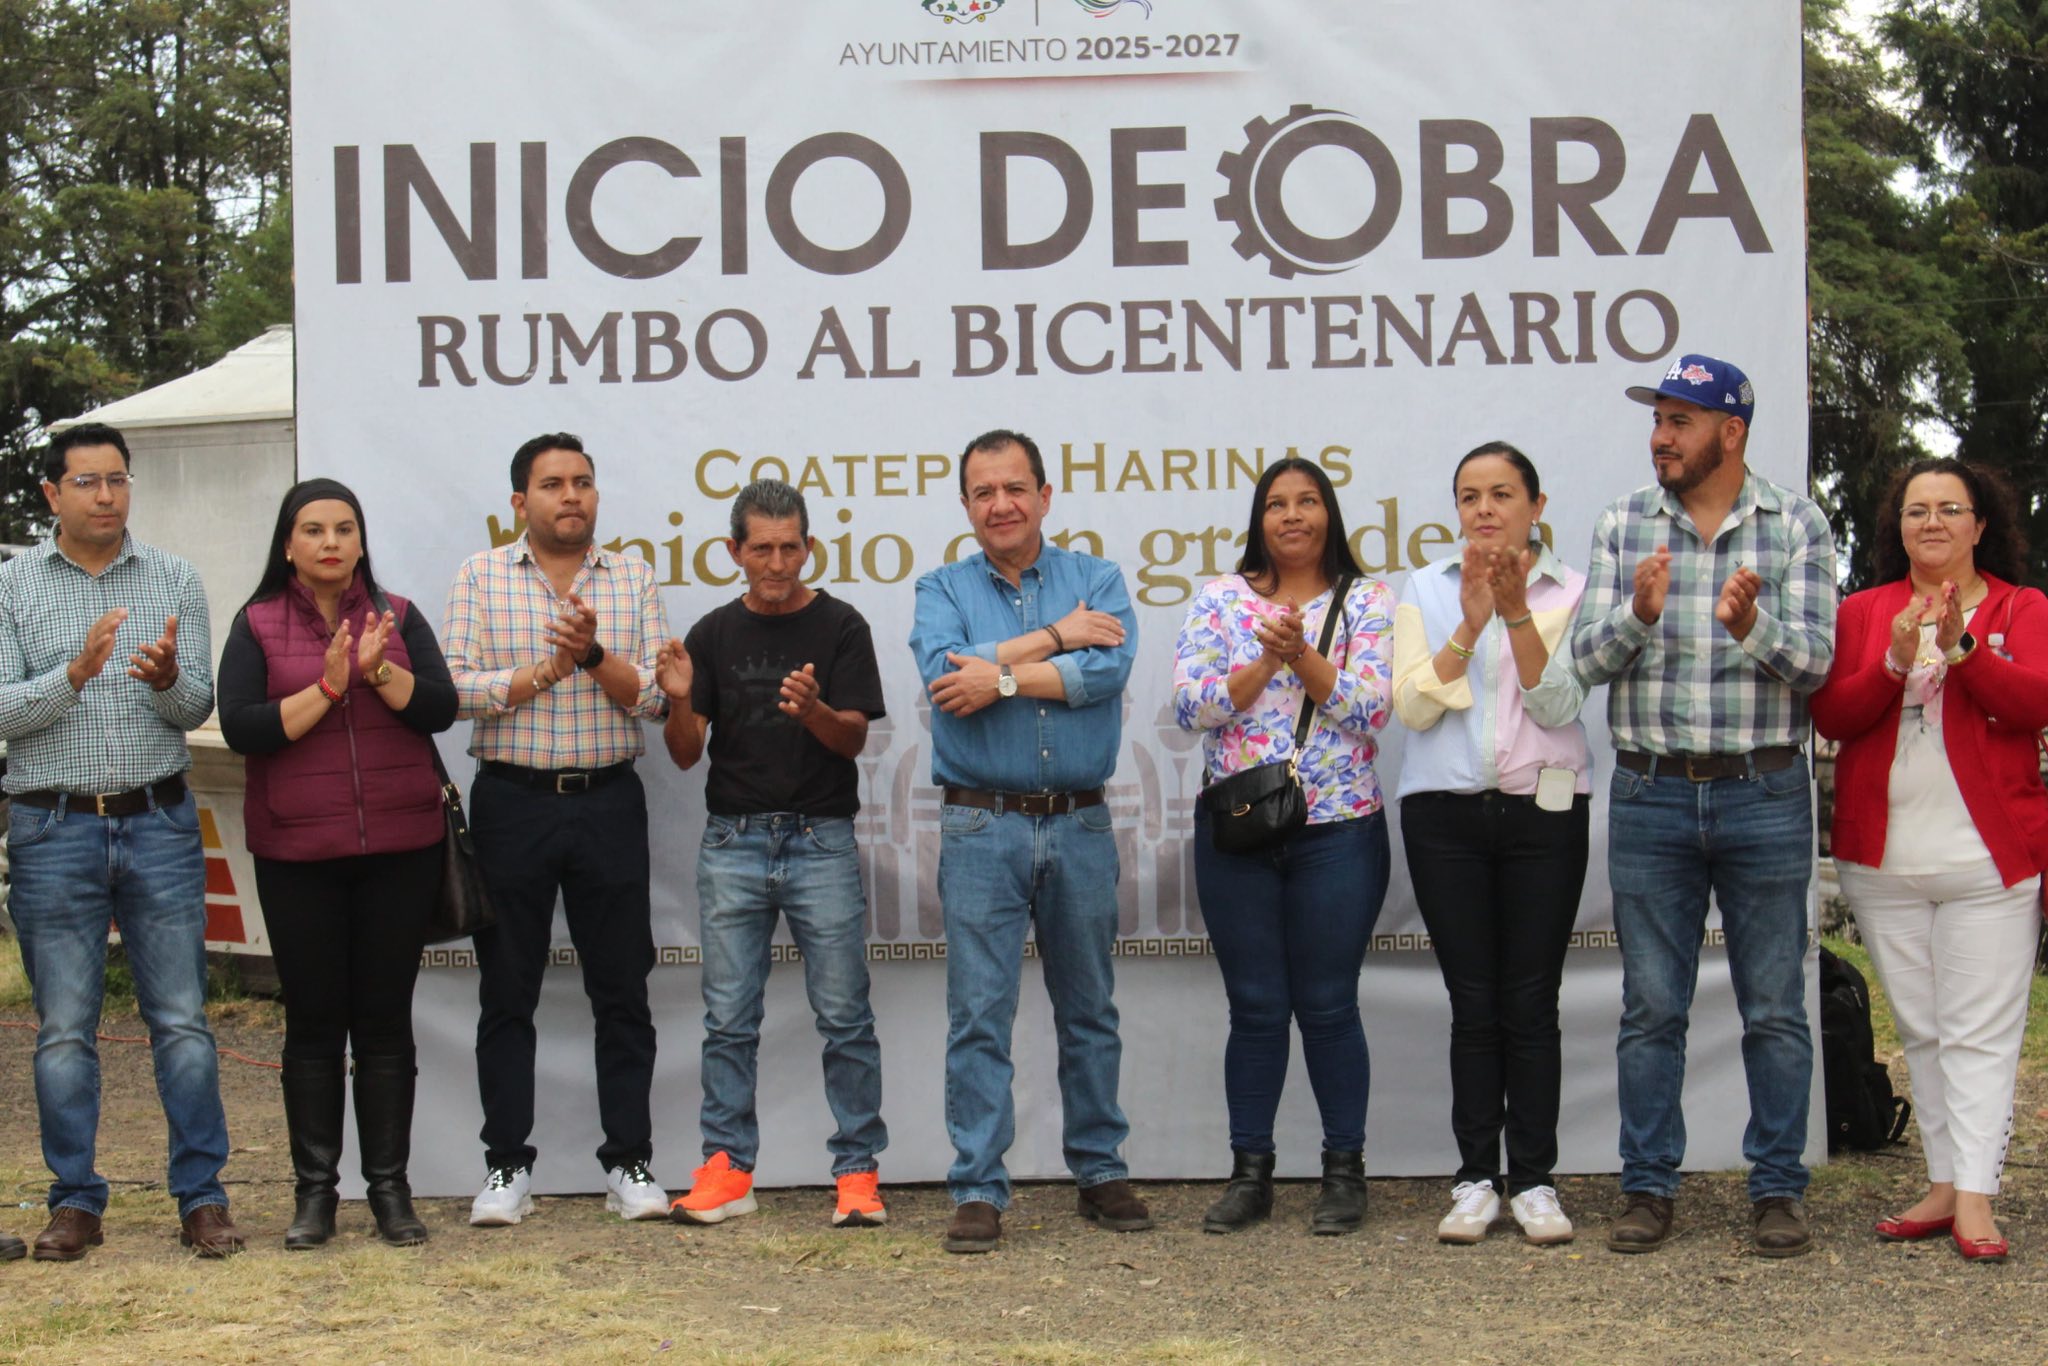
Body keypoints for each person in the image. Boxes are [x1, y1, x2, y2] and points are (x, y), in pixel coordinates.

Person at [1573, 354, 1836, 1258]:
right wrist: (1639, 616)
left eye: (1680, 420)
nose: (1661, 437)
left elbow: (1817, 667)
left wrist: (1749, 628)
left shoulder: (1796, 524)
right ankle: (1647, 1189)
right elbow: (1580, 665)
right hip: (1650, 791)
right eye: (1658, 420)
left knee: (1773, 1005)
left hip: (1765, 789)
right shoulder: (1621, 523)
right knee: (1651, 1008)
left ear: (1731, 432)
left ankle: (1777, 1189)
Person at [0, 422, 241, 1260]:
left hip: (160, 820)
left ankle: (202, 1198)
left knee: (181, 1020)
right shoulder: (12, 585)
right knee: (64, 1028)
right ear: (52, 495)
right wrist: (73, 674)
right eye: (89, 481)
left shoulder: (173, 576)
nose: (106, 496)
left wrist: (172, 681)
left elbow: (197, 704)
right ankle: (75, 1202)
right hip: (51, 824)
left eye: (118, 480)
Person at [909, 428, 1148, 1254]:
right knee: (979, 1013)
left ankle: (1099, 1167)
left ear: (1045, 496)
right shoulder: (940, 584)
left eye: (1015, 488)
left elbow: (1105, 677)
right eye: (983, 492)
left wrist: (1000, 673)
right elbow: (945, 675)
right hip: (982, 823)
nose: (1000, 504)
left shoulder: (1099, 580)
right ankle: (978, 1185)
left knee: (1090, 1008)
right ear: (967, 507)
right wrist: (1053, 638)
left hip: (1079, 820)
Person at [1811, 457, 2048, 1263]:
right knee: (1923, 1029)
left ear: (1982, 525)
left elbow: (2033, 703)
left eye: (1951, 509)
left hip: (1989, 860)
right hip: (1884, 860)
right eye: (1917, 511)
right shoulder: (1865, 611)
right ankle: (1945, 1181)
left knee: (1979, 1031)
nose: (1933, 523)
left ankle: (1976, 1197)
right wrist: (1891, 660)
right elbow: (1834, 716)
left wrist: (1964, 648)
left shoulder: (2023, 606)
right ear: (1898, 526)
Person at [217, 478, 459, 1249]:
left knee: (386, 1025)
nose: (330, 542)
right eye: (313, 529)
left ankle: (390, 1191)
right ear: (288, 544)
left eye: (344, 529)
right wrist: (329, 684)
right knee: (316, 1028)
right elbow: (245, 727)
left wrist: (379, 671)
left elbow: (440, 711)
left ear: (361, 541)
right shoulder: (255, 624)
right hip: (297, 852)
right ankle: (314, 1196)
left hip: (400, 848)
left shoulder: (400, 618)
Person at [443, 432, 672, 1226]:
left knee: (623, 990)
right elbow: (455, 689)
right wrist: (546, 669)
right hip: (512, 804)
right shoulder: (480, 574)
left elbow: (653, 696)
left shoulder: (632, 575)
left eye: (582, 482)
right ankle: (507, 1167)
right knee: (508, 992)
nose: (570, 496)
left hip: (609, 801)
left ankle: (630, 1161)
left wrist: (593, 653)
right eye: (552, 484)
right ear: (520, 502)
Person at [1171, 456, 1394, 1236]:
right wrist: (1266, 656)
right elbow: (1192, 707)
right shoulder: (1220, 600)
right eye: (1276, 504)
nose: (1291, 516)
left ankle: (1343, 1174)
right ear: (1257, 518)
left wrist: (1303, 655)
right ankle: (1250, 1174)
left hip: (1340, 829)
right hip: (1238, 828)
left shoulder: (1365, 600)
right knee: (1257, 1008)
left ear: (1329, 514)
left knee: (1330, 1005)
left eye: (1307, 502)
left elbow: (1369, 710)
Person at [658, 479, 889, 1228]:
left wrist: (814, 710)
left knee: (844, 1015)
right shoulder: (713, 634)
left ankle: (856, 1175)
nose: (778, 561)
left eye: (791, 546)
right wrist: (685, 700)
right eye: (762, 548)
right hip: (733, 841)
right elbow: (686, 755)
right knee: (728, 1019)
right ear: (735, 552)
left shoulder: (842, 625)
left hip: (821, 838)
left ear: (809, 547)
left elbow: (853, 738)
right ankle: (727, 1170)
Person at [1391, 442, 1590, 1246]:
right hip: (1444, 817)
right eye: (1469, 495)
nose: (1484, 510)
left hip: (1544, 814)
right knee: (1474, 1005)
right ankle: (1476, 1177)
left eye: (1501, 494)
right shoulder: (1427, 589)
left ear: (1536, 505)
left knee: (1531, 1003)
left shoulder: (1574, 590)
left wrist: (1514, 611)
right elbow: (1412, 708)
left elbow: (1559, 701)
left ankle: (1535, 1180)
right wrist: (1471, 625)